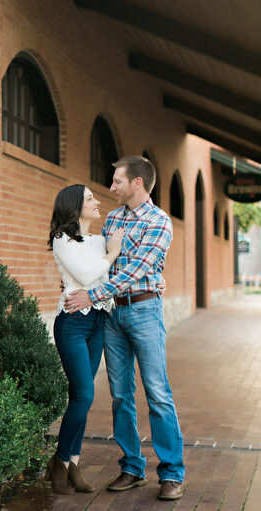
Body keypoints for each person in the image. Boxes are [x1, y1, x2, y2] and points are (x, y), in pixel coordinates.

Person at [64, 156, 185, 501]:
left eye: (117, 181)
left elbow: (135, 271)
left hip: (145, 311)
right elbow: (105, 264)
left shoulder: (160, 221)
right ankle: (132, 467)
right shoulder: (114, 218)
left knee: (157, 393)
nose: (111, 187)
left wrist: (91, 295)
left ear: (137, 183)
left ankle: (172, 473)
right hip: (113, 316)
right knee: (120, 395)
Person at [44, 184, 125, 494]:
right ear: (74, 205)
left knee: (81, 397)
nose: (97, 201)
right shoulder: (62, 239)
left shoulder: (99, 240)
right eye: (90, 198)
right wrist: (112, 254)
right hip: (72, 325)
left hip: (98, 322)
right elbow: (89, 275)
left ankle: (73, 465)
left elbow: (110, 278)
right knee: (86, 395)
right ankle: (59, 461)